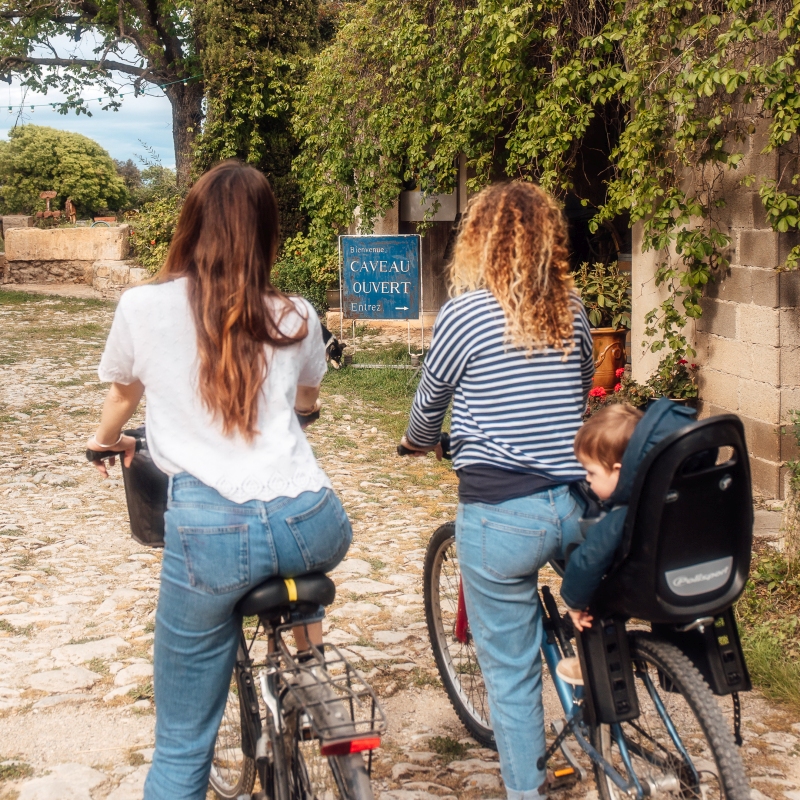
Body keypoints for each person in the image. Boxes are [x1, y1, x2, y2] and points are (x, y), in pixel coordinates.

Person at [86, 161, 352, 800]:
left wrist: (102, 442)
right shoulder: (295, 314)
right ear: (266, 233)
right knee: (291, 558)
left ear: (191, 224)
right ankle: (309, 664)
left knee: (182, 748)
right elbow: (307, 401)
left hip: (212, 534)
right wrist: (289, 421)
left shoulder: (143, 306)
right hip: (313, 519)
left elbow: (123, 395)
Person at [401, 181, 595, 800]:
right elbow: (582, 386)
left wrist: (416, 441)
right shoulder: (574, 309)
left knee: (510, 676)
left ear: (480, 242)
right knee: (595, 618)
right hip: (574, 505)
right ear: (548, 241)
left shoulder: (464, 314)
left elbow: (431, 402)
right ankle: (606, 708)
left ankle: (528, 789)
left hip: (500, 515)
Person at [554, 403, 643, 686]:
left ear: (617, 471)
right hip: (677, 581)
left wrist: (574, 603)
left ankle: (592, 665)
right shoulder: (656, 496)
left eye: (591, 473)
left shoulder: (618, 517)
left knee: (591, 587)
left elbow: (588, 561)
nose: (588, 481)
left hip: (634, 589)